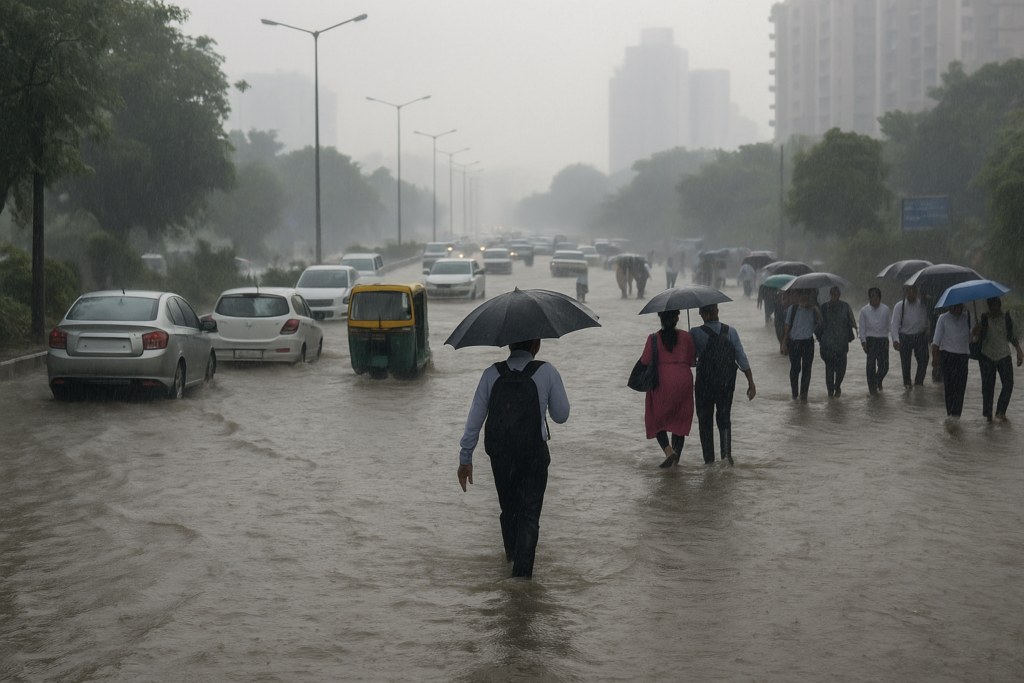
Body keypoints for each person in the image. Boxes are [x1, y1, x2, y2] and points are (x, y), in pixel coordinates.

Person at [457, 339, 570, 579]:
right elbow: (561, 415)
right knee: (529, 516)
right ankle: (520, 579)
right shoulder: (547, 371)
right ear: (536, 345)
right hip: (534, 456)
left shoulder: (491, 374)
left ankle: (510, 558)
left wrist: (465, 458)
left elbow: (474, 419)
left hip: (501, 456)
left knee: (509, 511)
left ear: (509, 345)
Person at [689, 304, 756, 463]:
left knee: (705, 421)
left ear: (701, 313)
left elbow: (691, 361)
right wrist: (751, 383)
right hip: (726, 384)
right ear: (717, 311)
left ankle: (709, 461)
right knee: (724, 418)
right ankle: (726, 456)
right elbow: (742, 359)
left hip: (704, 385)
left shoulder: (695, 333)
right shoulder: (730, 332)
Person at [639, 310, 696, 468]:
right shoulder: (686, 336)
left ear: (661, 319)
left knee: (656, 418)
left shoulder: (653, 338)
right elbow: (692, 360)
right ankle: (676, 461)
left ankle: (669, 451)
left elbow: (645, 360)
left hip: (662, 381)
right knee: (680, 420)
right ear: (677, 318)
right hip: (684, 380)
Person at [972, 297, 1023, 422]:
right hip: (986, 356)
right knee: (988, 387)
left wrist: (1019, 351)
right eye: (992, 307)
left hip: (1004, 355)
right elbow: (977, 339)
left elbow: (1011, 335)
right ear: (989, 307)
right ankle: (988, 416)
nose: (995, 309)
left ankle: (1000, 412)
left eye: (997, 306)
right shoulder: (984, 318)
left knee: (1008, 384)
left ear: (1000, 306)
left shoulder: (1006, 318)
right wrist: (976, 332)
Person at [931, 304, 974, 420]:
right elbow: (936, 340)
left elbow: (973, 338)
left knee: (960, 388)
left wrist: (976, 332)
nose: (958, 310)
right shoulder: (943, 318)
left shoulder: (968, 318)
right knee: (949, 388)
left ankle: (956, 416)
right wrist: (935, 358)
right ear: (949, 307)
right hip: (947, 356)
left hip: (963, 357)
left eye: (960, 307)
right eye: (955, 307)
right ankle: (950, 414)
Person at [780, 289, 822, 400]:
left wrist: (815, 309)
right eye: (802, 295)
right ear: (798, 297)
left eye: (807, 294)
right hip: (794, 342)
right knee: (795, 368)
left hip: (808, 342)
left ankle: (803, 396)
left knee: (807, 369)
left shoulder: (814, 309)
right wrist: (784, 343)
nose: (804, 297)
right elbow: (787, 326)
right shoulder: (792, 309)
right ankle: (794, 394)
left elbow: (820, 321)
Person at [818, 286, 857, 397]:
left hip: (842, 345)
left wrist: (857, 329)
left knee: (841, 370)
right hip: (827, 345)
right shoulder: (824, 307)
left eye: (836, 295)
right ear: (830, 295)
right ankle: (830, 394)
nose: (834, 297)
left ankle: (837, 385)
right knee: (829, 370)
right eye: (832, 295)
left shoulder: (846, 307)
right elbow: (819, 322)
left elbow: (852, 321)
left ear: (839, 295)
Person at [890, 284, 931, 389]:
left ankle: (918, 383)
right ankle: (907, 385)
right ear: (904, 293)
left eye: (912, 291)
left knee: (924, 360)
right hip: (905, 337)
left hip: (920, 336)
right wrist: (895, 340)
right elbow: (894, 324)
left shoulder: (923, 305)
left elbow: (929, 320)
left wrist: (929, 330)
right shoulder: (899, 306)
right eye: (908, 291)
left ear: (917, 293)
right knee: (905, 364)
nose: (910, 294)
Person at [858, 287, 891, 395]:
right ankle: (872, 389)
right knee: (870, 366)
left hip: (882, 339)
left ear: (880, 298)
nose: (875, 300)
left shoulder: (885, 309)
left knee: (885, 366)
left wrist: (894, 339)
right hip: (870, 339)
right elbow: (862, 328)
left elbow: (889, 326)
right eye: (872, 297)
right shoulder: (864, 311)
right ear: (869, 298)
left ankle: (877, 380)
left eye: (877, 297)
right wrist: (863, 342)